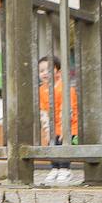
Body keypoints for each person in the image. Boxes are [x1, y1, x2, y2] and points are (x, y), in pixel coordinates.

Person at [37, 55, 78, 186]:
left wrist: (65, 129)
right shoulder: (42, 90)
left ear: (58, 72)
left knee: (63, 145)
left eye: (48, 70)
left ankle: (65, 169)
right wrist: (48, 128)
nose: (44, 73)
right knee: (52, 145)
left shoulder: (65, 88)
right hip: (52, 125)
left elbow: (68, 110)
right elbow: (43, 110)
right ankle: (55, 168)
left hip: (68, 124)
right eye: (41, 71)